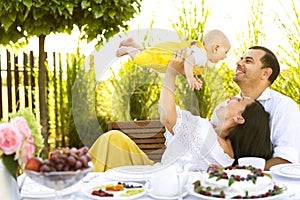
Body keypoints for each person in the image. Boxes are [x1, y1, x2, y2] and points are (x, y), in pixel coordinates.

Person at [158, 50, 273, 171]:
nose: (232, 97)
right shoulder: (227, 155)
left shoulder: (206, 135)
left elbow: (168, 118)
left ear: (239, 118)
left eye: (239, 100)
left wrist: (171, 73)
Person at [210, 46, 300, 170]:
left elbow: (285, 160)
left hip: (270, 184)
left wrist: (236, 173)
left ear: (265, 73)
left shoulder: (284, 107)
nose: (238, 63)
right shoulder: (223, 107)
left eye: (248, 61)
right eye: (241, 59)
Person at [116, 29, 231, 90]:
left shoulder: (200, 53)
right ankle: (128, 49)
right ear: (216, 48)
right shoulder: (202, 55)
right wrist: (190, 78)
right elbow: (189, 61)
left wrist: (194, 77)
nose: (225, 57)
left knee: (148, 58)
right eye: (225, 52)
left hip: (165, 58)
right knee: (141, 59)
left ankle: (133, 43)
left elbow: (190, 65)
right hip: (165, 58)